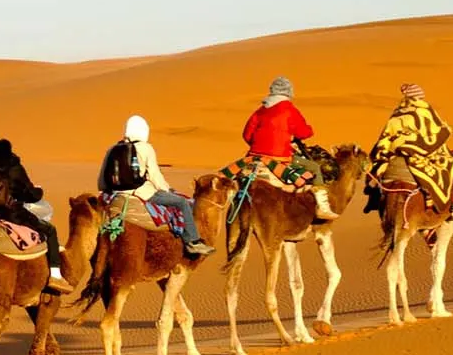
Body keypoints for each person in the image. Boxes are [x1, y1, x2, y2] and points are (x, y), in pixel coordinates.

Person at [101, 115, 213, 257]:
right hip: (141, 192)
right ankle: (193, 242)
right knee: (182, 202)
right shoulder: (146, 148)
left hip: (114, 193)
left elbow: (102, 178)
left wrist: (107, 191)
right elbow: (155, 175)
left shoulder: (113, 149)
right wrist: (167, 190)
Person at [231, 75, 338, 221]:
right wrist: (306, 131)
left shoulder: (260, 110)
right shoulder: (289, 109)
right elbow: (304, 132)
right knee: (314, 168)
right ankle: (323, 208)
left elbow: (247, 134)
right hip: (279, 157)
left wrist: (259, 145)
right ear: (289, 92)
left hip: (253, 156)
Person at [0, 138, 70, 291]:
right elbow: (30, 194)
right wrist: (39, 191)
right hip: (12, 215)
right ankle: (55, 275)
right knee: (50, 231)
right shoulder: (14, 168)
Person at [369, 83, 453, 215]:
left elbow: (385, 137)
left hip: (394, 153)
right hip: (418, 153)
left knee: (375, 171)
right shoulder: (424, 111)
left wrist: (385, 154)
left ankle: (374, 199)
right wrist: (446, 130)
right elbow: (436, 132)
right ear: (420, 97)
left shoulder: (396, 113)